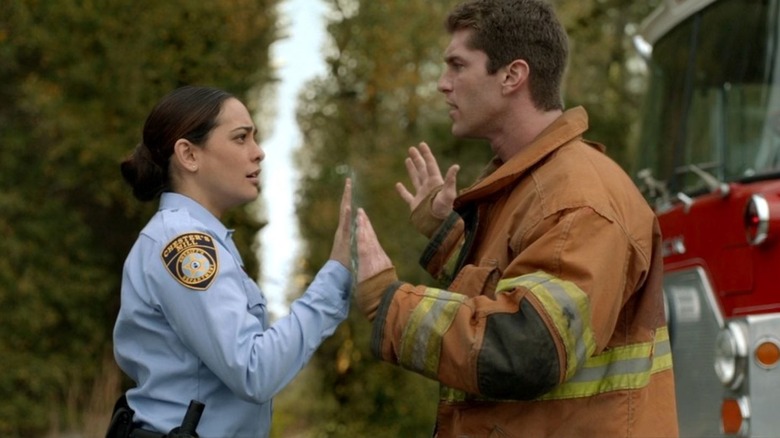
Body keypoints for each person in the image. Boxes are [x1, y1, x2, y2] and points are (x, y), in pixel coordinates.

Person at [353, 0, 679, 436]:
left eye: (457, 66)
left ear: (512, 76)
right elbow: (516, 287)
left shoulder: (578, 200)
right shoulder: (533, 187)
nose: (442, 85)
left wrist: (388, 304)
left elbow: (527, 348)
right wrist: (450, 239)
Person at [109, 86, 353, 438]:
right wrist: (334, 279)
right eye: (241, 138)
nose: (259, 153)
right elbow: (255, 371)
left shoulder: (198, 239)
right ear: (189, 155)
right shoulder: (183, 244)